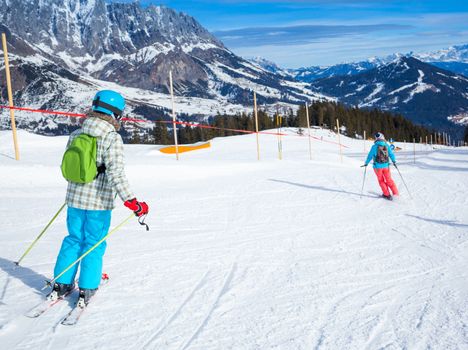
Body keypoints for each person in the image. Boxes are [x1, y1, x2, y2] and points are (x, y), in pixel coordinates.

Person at [50, 90, 149, 305]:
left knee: (73, 239)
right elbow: (116, 173)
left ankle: (61, 283)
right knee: (93, 243)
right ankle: (87, 287)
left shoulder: (76, 134)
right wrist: (133, 202)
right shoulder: (112, 138)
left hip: (74, 201)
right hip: (98, 204)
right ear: (116, 114)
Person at [363, 132, 399, 200]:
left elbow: (370, 156)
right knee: (389, 180)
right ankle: (396, 194)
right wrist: (394, 161)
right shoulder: (387, 145)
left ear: (376, 138)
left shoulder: (374, 147)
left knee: (381, 180)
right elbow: (391, 154)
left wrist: (366, 163)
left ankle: (387, 194)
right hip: (386, 166)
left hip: (377, 167)